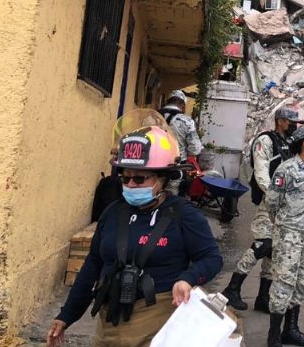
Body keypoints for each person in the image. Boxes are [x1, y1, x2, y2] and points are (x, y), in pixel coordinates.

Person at [46, 123, 222, 347]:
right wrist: (66, 316)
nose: (130, 184)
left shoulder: (183, 215)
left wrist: (187, 280)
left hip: (157, 324)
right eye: (125, 177)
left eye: (139, 179)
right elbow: (93, 264)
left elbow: (211, 258)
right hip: (109, 324)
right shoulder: (112, 212)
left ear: (162, 179)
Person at [222, 108, 301, 312]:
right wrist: (275, 196)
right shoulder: (265, 141)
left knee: (274, 251)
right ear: (280, 121)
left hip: (287, 205)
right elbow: (261, 172)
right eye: (290, 122)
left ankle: (263, 297)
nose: (293, 126)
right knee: (262, 245)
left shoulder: (290, 144)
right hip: (269, 202)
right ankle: (232, 288)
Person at [264, 124, 304, 347]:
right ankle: (273, 336)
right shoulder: (287, 169)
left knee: (302, 281)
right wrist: (282, 225)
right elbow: (272, 202)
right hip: (290, 234)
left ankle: (291, 329)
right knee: (284, 282)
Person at [158, 90, 203, 194]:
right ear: (182, 105)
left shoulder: (153, 116)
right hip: (176, 166)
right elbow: (195, 148)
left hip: (153, 164)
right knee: (172, 197)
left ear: (167, 102)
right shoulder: (186, 121)